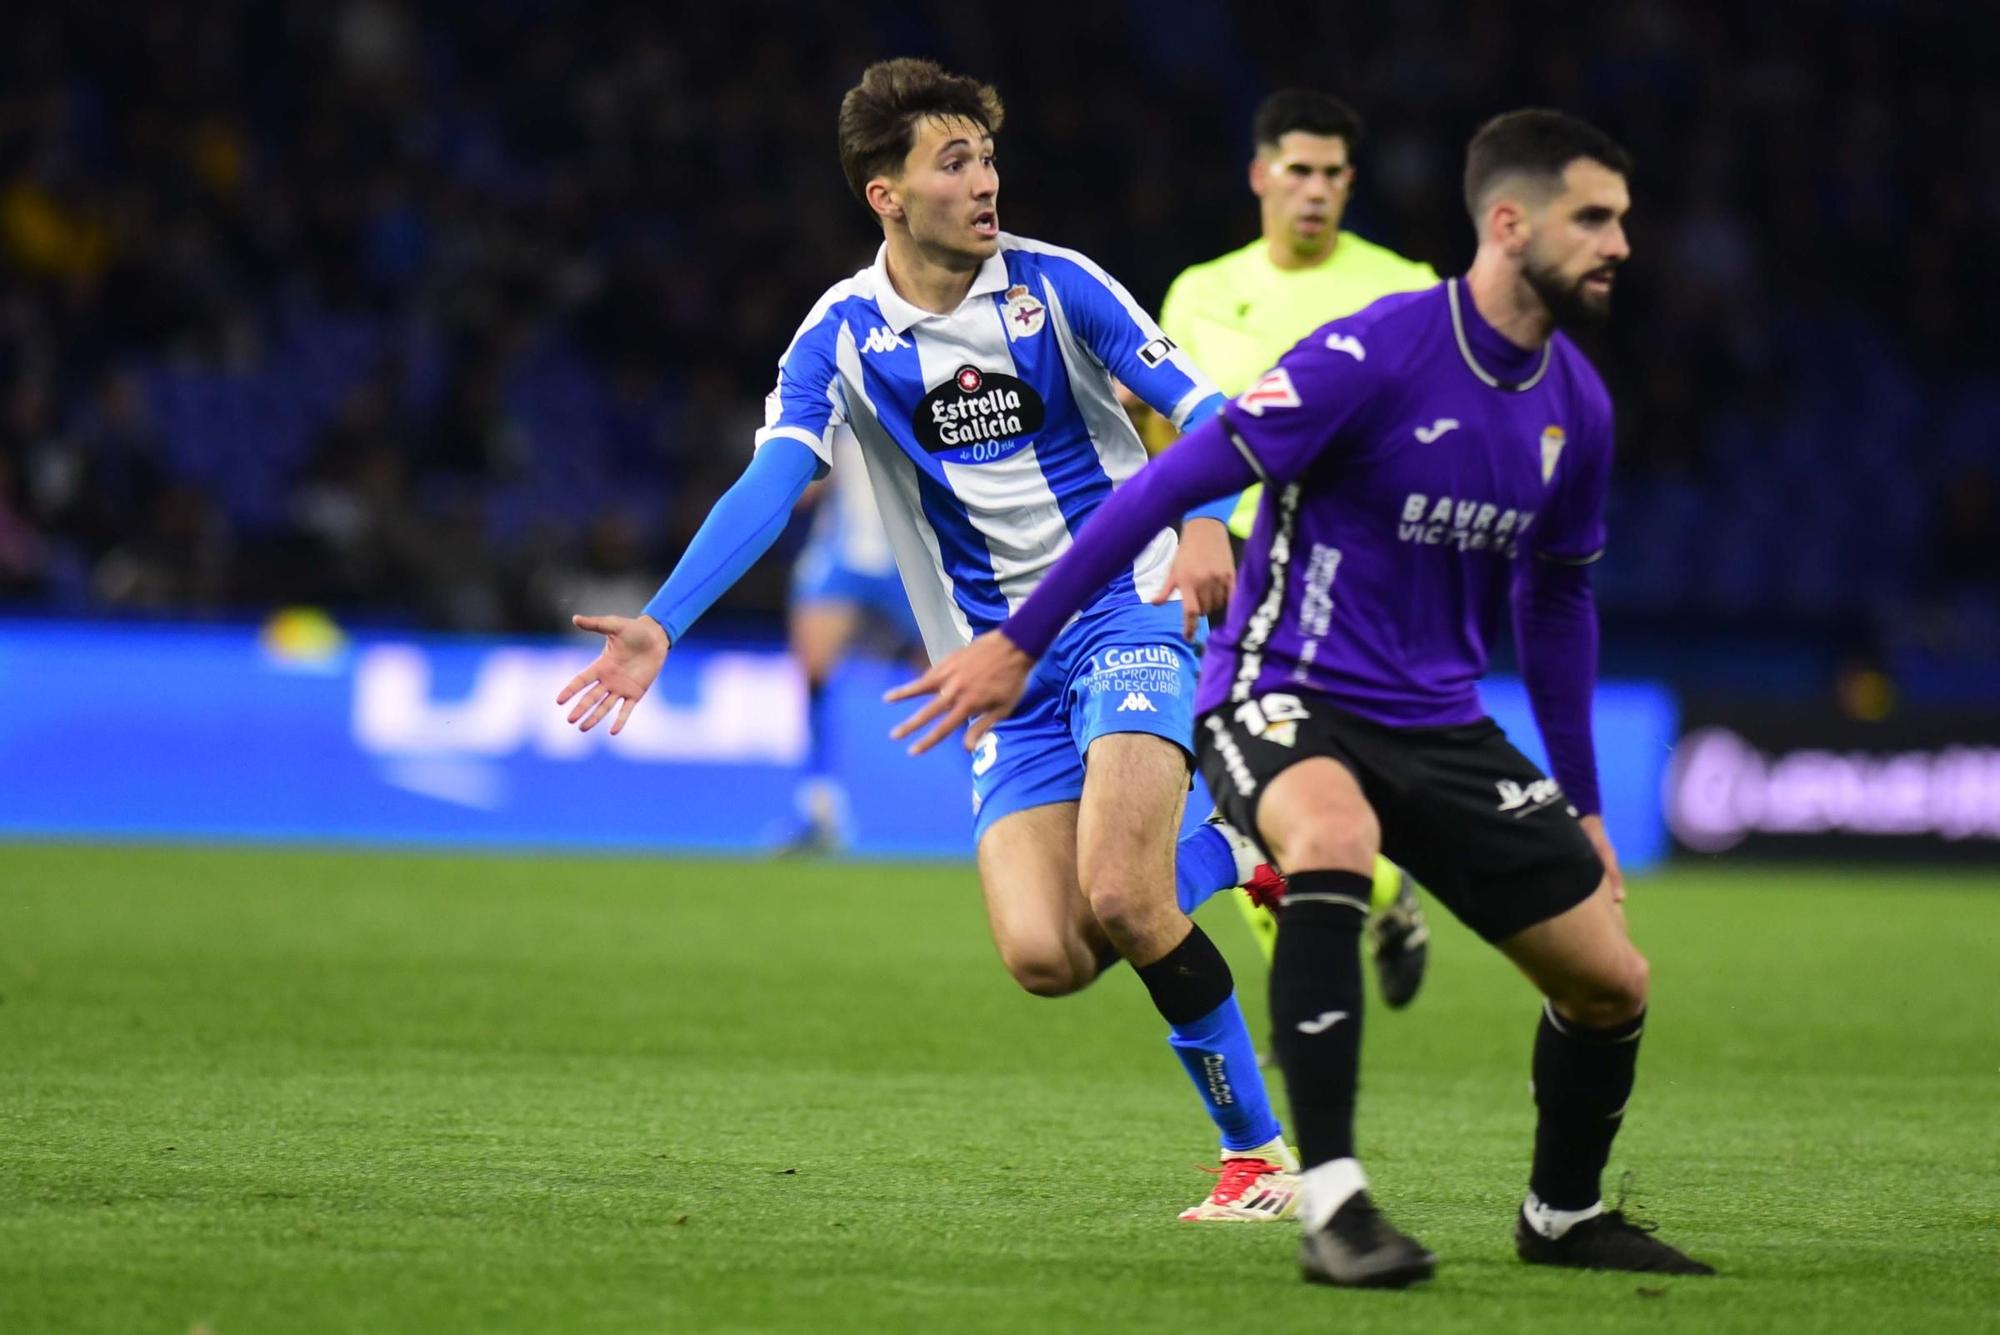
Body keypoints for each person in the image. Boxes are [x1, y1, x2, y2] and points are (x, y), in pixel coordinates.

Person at [889, 109, 1714, 1286]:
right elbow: (1165, 482)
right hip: (1286, 687)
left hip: (1440, 720)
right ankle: (1329, 1201)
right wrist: (1019, 640)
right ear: (1508, 221)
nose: (1619, 242)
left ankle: (1562, 1215)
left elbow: (1556, 607)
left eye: (1622, 220)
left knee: (1608, 978)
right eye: (1594, 217)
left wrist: (1581, 806)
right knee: (1323, 839)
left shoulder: (1574, 405)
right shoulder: (1372, 352)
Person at [555, 58, 1300, 1222]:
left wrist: (1203, 522)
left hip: (1127, 608)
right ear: (884, 195)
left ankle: (1256, 1161)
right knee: (1046, 956)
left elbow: (1205, 415)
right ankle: (1244, 847)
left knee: (1119, 892)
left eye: (988, 156)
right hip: (992, 668)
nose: (985, 180)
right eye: (953, 161)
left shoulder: (1058, 289)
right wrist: (661, 621)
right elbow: (774, 477)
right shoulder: (843, 334)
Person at [1151, 89, 1440, 1004]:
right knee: (1240, 792)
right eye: (1297, 169)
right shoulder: (1199, 292)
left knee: (1287, 788)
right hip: (1224, 566)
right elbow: (1168, 436)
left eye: (1331, 174)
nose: (1313, 189)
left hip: (1343, 574)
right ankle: (1314, 984)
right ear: (1260, 174)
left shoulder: (1406, 288)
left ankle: (1373, 900)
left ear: (1350, 183)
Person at [784, 424, 926, 851]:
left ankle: (998, 792)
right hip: (842, 557)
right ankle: (819, 806)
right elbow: (801, 487)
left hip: (908, 560)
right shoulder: (831, 399)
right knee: (812, 674)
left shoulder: (916, 389)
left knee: (956, 679)